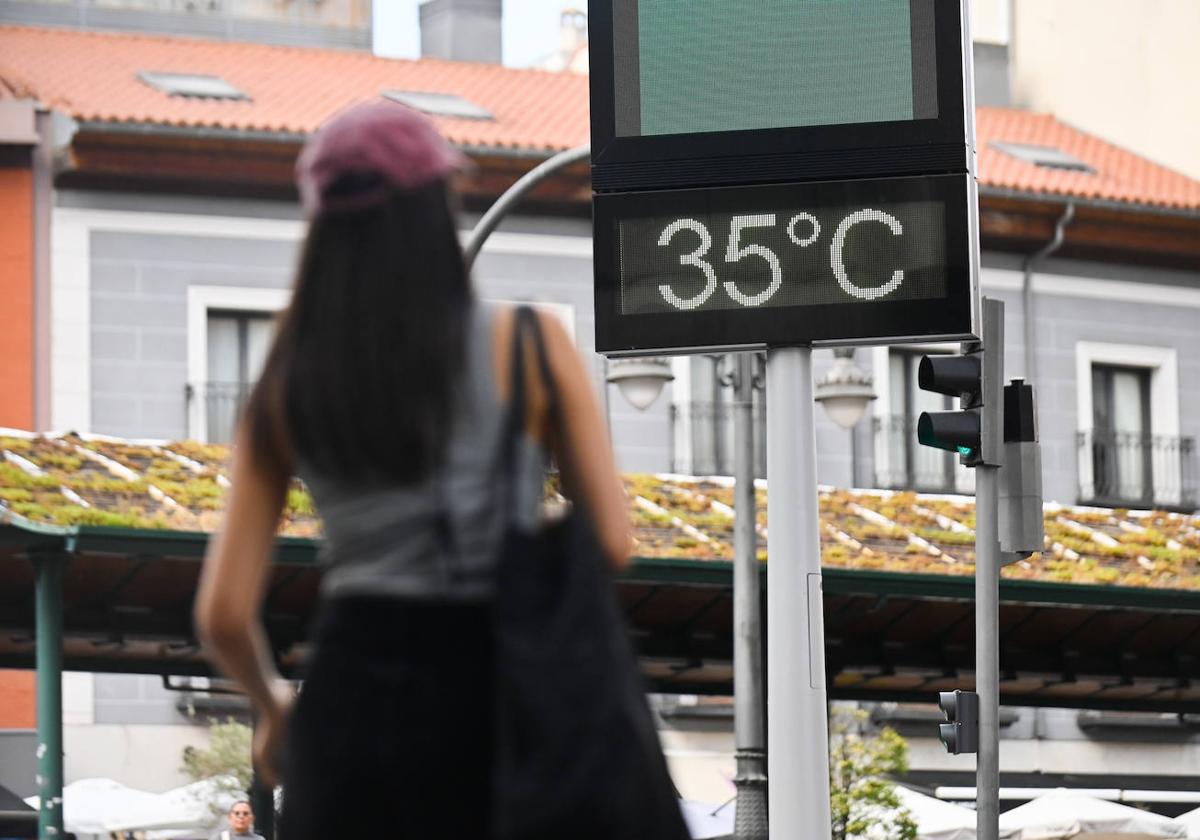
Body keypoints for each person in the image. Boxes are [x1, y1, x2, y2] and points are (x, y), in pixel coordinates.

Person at [193, 101, 632, 837]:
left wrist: (273, 709)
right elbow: (612, 543)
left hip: (351, 701)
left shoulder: (290, 369)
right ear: (437, 203)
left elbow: (223, 614)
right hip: (502, 700)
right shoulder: (533, 344)